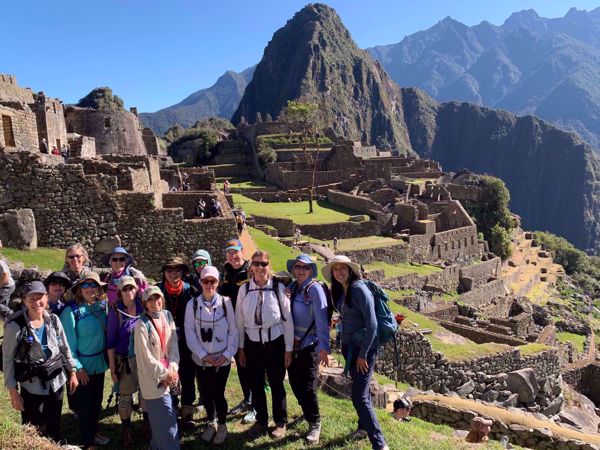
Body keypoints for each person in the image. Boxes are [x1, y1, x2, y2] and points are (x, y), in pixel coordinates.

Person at [322, 255, 389, 450]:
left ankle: (380, 444)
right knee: (362, 392)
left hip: (363, 350)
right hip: (350, 347)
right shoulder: (342, 291)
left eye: (343, 268)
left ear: (350, 270)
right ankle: (363, 428)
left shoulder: (359, 289)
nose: (339, 272)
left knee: (358, 395)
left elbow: (372, 324)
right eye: (336, 269)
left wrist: (363, 355)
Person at [2, 281, 79, 443]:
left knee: (54, 424)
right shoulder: (15, 326)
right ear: (24, 300)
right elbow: (7, 359)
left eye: (40, 297)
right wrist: (13, 392)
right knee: (33, 429)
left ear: (46, 297)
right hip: (32, 386)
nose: (37, 302)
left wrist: (72, 372)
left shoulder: (53, 320)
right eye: (32, 299)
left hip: (56, 382)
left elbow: (65, 348)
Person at [236, 250, 294, 439]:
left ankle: (280, 421)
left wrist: (288, 349)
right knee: (256, 384)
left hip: (274, 342)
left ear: (269, 266)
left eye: (264, 264)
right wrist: (241, 348)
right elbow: (239, 321)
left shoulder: (277, 288)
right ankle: (261, 421)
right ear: (251, 265)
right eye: (257, 263)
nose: (260, 267)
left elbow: (287, 320)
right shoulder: (244, 290)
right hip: (252, 344)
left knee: (277, 383)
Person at [185, 266, 238, 445]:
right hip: (202, 359)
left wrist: (227, 354)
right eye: (205, 281)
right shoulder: (192, 305)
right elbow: (189, 332)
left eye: (213, 281)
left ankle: (222, 425)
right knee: (205, 392)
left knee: (218, 393)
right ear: (200, 282)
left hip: (221, 358)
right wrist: (203, 355)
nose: (209, 285)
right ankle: (211, 422)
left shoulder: (226, 302)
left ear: (218, 282)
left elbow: (233, 330)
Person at [60, 272, 110, 449]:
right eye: (85, 285)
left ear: (99, 288)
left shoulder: (101, 306)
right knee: (85, 406)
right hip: (83, 367)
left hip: (99, 364)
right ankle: (88, 442)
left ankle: (94, 431)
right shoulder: (70, 311)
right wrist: (77, 368)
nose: (90, 289)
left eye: (93, 285)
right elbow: (67, 346)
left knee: (97, 402)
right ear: (79, 289)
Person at [286, 254, 330, 443]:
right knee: (295, 383)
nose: (301, 270)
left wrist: (323, 347)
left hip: (309, 345)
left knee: (309, 386)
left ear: (311, 270)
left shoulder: (315, 290)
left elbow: (321, 319)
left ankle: (315, 423)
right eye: (298, 267)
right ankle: (306, 412)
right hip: (293, 345)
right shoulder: (294, 288)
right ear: (294, 270)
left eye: (305, 267)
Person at [134, 286, 180, 450]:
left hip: (170, 376)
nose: (155, 302)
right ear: (144, 303)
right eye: (150, 299)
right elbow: (145, 358)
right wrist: (165, 374)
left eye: (157, 298)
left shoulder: (167, 316)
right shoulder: (141, 324)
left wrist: (173, 369)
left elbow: (174, 344)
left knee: (164, 418)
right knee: (166, 420)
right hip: (154, 380)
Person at [157, 257, 198, 427]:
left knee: (188, 373)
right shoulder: (157, 291)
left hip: (186, 339)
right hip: (164, 340)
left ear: (183, 272)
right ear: (164, 273)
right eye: (169, 270)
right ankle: (170, 408)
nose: (173, 274)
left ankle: (187, 409)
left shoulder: (191, 291)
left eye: (177, 270)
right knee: (168, 372)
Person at [106, 276, 145, 448]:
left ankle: (147, 424)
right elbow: (111, 342)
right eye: (125, 289)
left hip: (145, 361)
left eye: (131, 288)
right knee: (126, 396)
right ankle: (127, 428)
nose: (129, 292)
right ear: (120, 293)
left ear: (136, 290)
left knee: (146, 394)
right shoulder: (115, 312)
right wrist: (113, 369)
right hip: (125, 362)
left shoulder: (144, 307)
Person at [218, 238, 253, 421]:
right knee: (240, 365)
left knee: (250, 364)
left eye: (235, 252)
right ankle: (247, 398)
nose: (232, 256)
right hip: (230, 326)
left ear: (242, 252)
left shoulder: (249, 271)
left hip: (247, 327)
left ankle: (255, 404)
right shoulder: (226, 272)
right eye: (229, 252)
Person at [0, 252, 16, 320]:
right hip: (5, 285)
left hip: (8, 286)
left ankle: (12, 315)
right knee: (3, 303)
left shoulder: (1, 263)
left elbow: (6, 278)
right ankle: (6, 318)